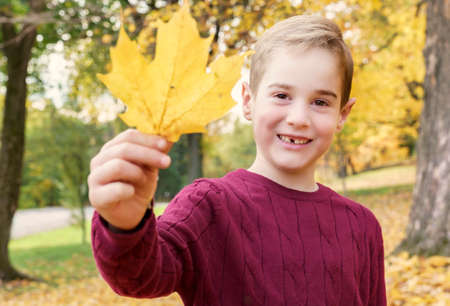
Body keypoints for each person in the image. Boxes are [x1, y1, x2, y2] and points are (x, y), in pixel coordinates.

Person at [88, 15, 387, 306]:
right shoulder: (208, 205)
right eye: (282, 95)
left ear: (342, 115)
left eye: (320, 102)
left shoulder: (361, 227)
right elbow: (139, 276)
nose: (298, 118)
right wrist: (125, 225)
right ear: (247, 100)